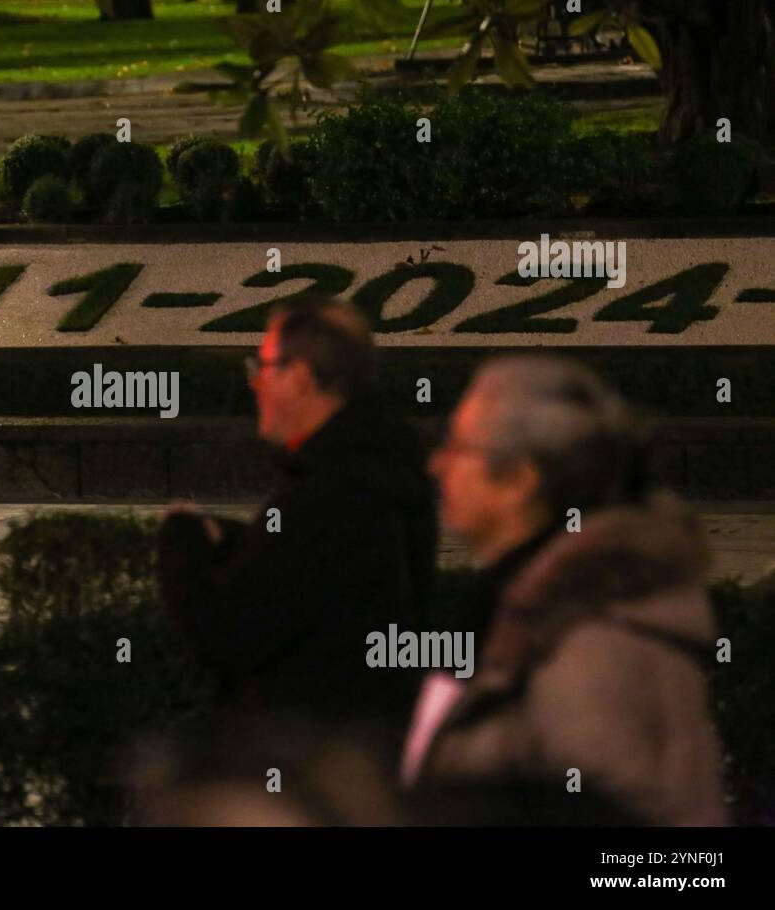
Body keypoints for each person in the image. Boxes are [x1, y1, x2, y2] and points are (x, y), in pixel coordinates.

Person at [403, 355, 728, 826]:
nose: (436, 465)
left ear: (518, 480)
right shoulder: (534, 605)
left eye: (456, 447)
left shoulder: (589, 643)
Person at [157, 299, 438, 734]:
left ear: (301, 377)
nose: (255, 383)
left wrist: (181, 539)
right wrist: (235, 538)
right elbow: (307, 572)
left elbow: (226, 631)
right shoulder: (376, 466)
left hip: (318, 764)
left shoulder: (334, 487)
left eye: (264, 366)